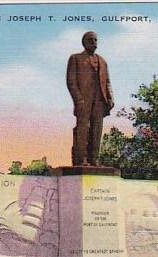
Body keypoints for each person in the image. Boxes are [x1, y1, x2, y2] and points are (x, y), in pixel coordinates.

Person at [66, 31, 114, 166]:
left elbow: (108, 81)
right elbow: (71, 82)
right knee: (82, 129)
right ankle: (81, 159)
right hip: (84, 100)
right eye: (91, 40)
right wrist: (78, 99)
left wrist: (110, 97)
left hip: (100, 100)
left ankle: (94, 159)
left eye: (96, 40)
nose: (94, 42)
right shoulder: (75, 58)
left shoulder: (103, 61)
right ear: (84, 42)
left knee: (97, 129)